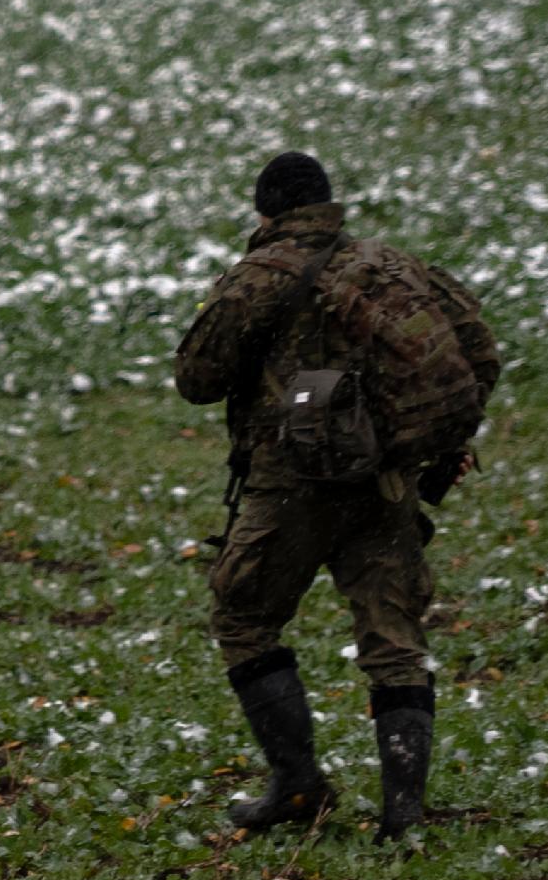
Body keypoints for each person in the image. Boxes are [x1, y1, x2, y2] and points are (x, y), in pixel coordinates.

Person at [173, 151, 501, 842]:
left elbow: (197, 378)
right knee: (395, 642)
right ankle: (404, 817)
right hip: (385, 482)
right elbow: (479, 350)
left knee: (243, 618)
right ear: (327, 205)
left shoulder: (259, 277)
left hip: (291, 486)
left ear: (265, 212)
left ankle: (298, 787)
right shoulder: (396, 267)